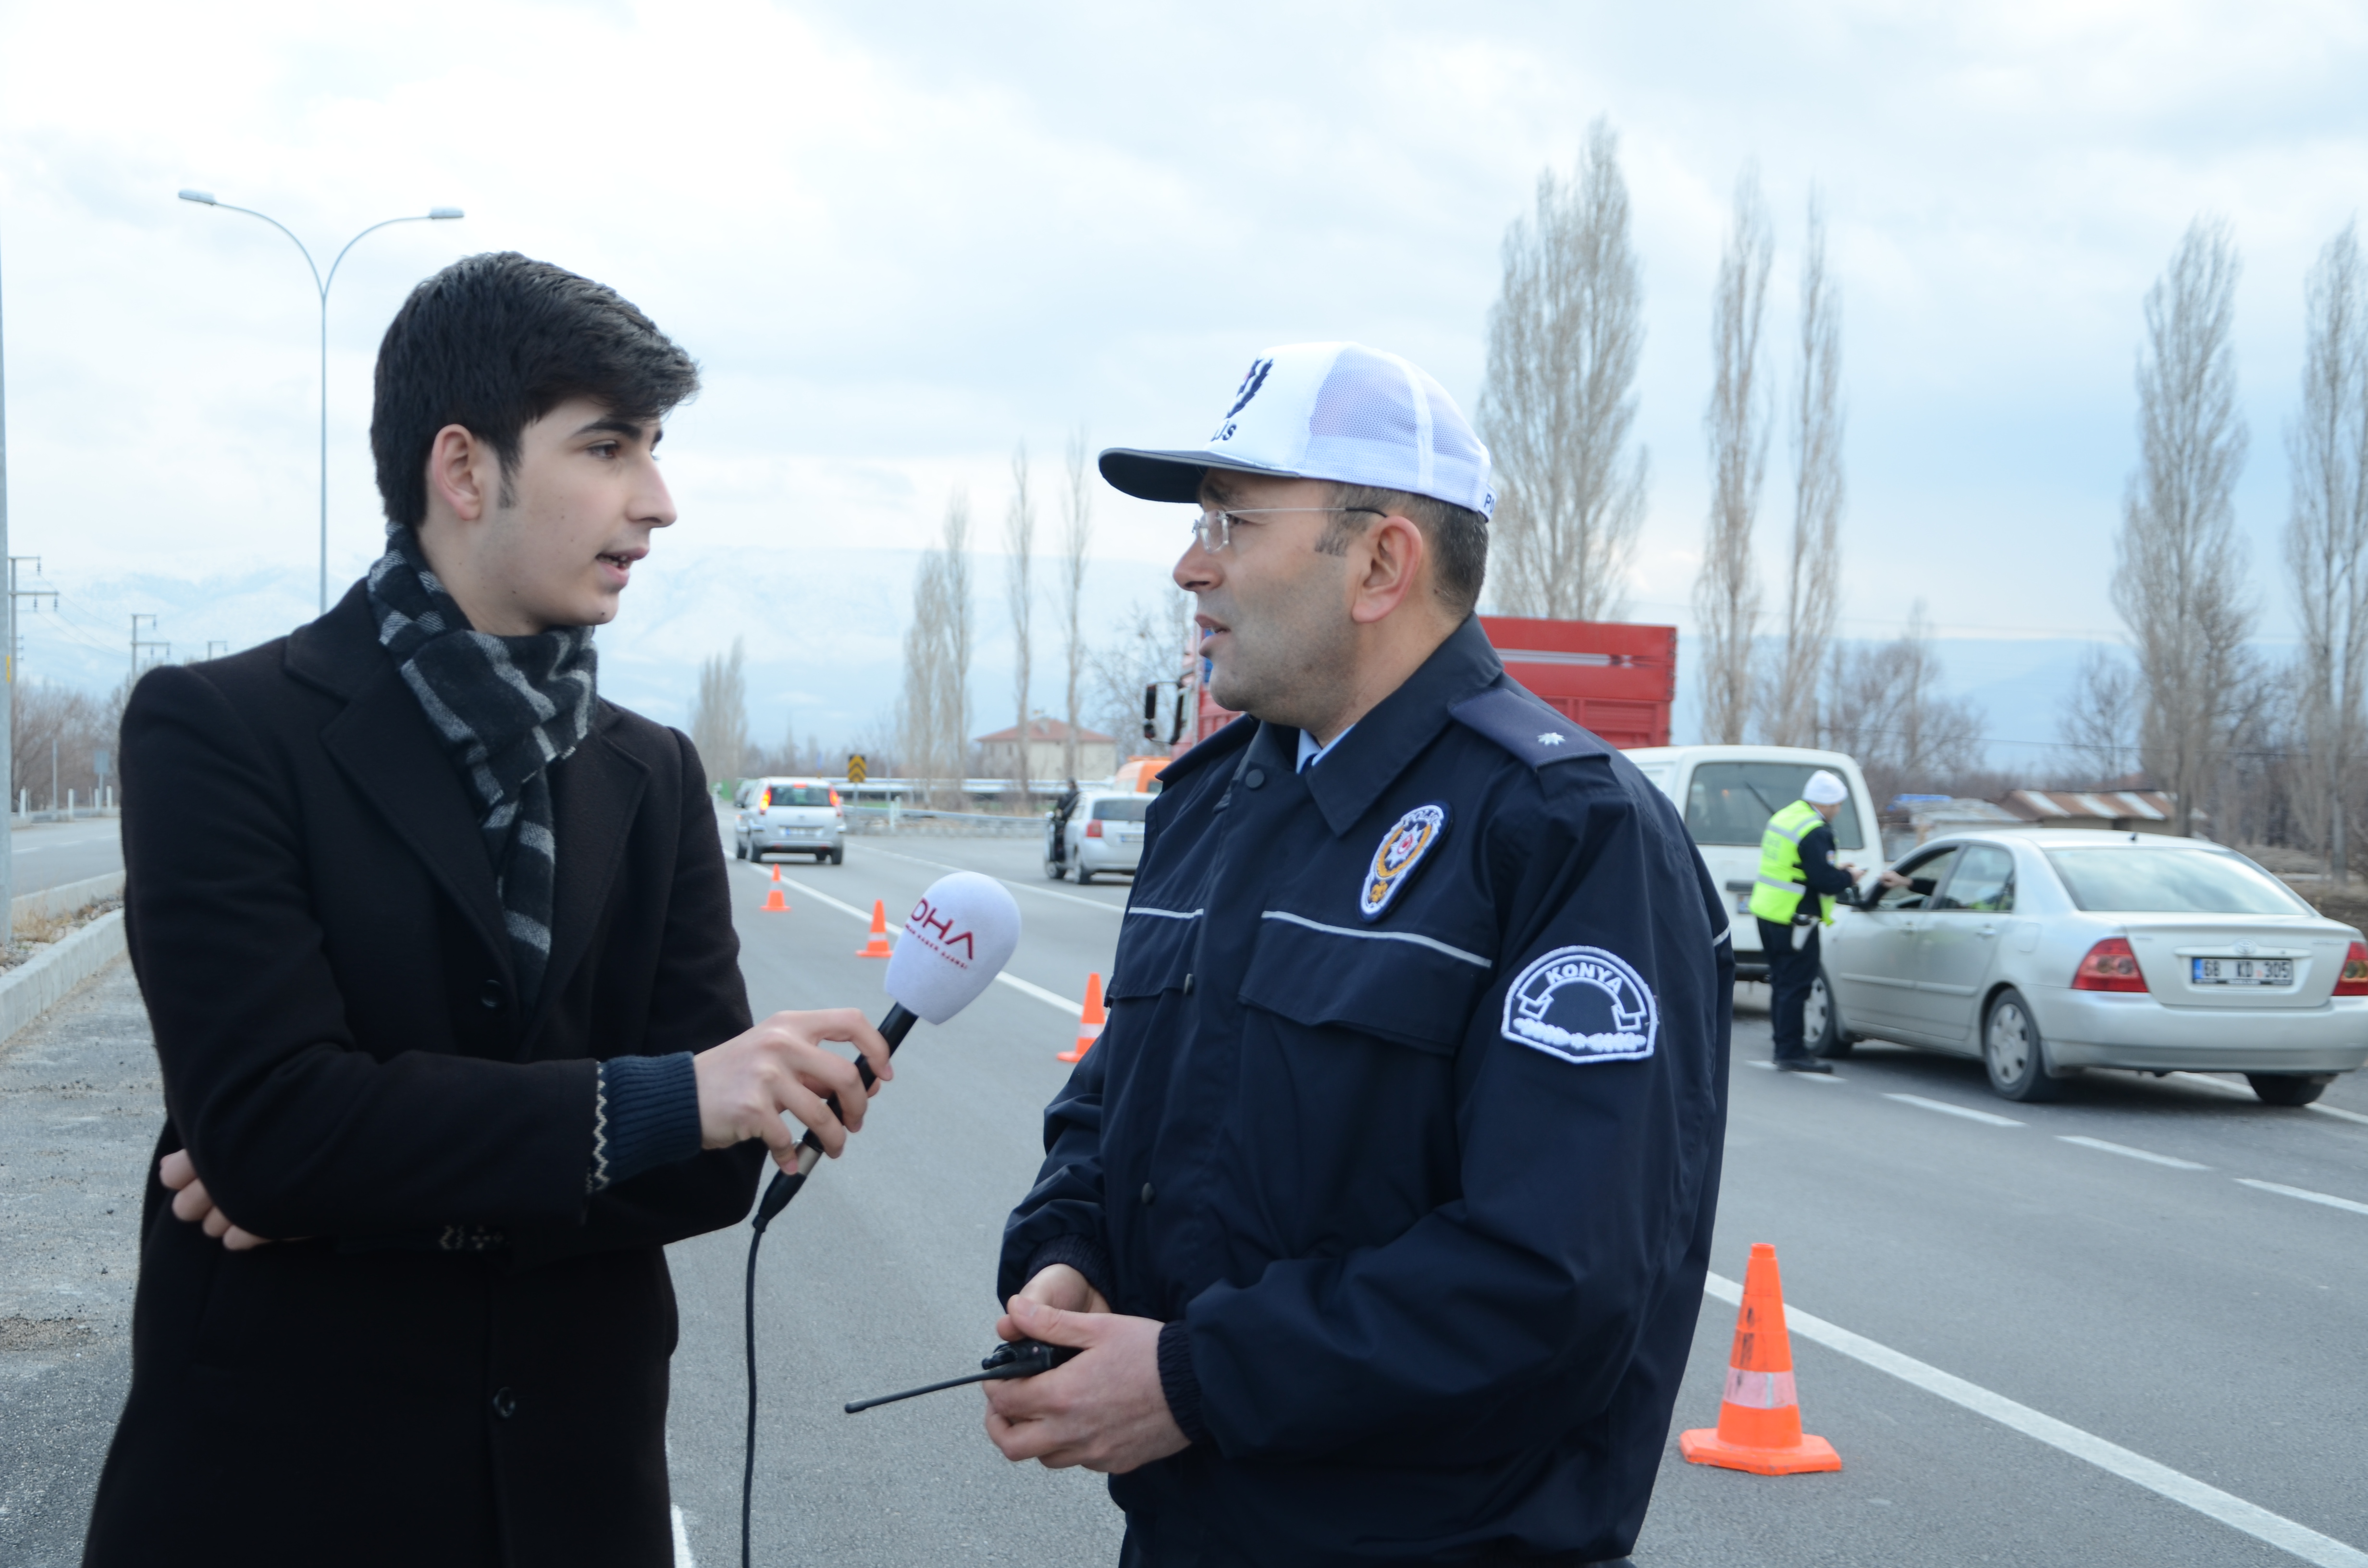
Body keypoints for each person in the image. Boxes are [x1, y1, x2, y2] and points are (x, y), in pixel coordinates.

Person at [85, 253, 893, 1567]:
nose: (659, 501)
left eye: (657, 450)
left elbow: (713, 1165)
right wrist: (651, 1103)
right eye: (609, 447)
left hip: (574, 1503)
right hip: (283, 1498)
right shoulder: (222, 731)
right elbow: (273, 1126)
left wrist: (354, 1186)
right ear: (464, 470)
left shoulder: (650, 771)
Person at [981, 342, 1730, 1567]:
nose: (1190, 564)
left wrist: (1194, 1379)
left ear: (1382, 563)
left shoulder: (1562, 832)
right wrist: (1069, 1254)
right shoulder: (1214, 801)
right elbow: (1117, 1111)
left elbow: (1557, 1278)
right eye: (1198, 523)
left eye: (1231, 521)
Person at [1746, 769, 1862, 1073]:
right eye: (1838, 804)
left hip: (1768, 912)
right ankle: (1791, 1052)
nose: (1838, 810)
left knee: (1781, 981)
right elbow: (1825, 881)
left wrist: (1833, 870)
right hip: (1796, 918)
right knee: (1796, 984)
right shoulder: (1816, 831)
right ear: (1827, 803)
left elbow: (1797, 866)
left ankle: (1782, 1045)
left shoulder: (1786, 817)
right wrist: (1849, 876)